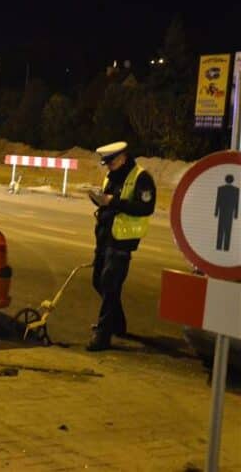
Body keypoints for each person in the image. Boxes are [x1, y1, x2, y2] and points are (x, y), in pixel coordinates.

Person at [87, 141, 156, 351]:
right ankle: (118, 323)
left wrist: (112, 202)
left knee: (109, 284)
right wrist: (98, 199)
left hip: (122, 241)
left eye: (111, 162)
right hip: (105, 237)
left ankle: (103, 334)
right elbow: (108, 201)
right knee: (98, 282)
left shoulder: (141, 178)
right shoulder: (112, 175)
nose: (107, 167)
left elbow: (146, 207)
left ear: (123, 158)